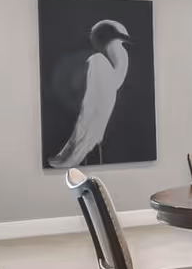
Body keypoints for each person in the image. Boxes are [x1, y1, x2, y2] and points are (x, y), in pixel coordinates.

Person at [47, 19, 130, 167]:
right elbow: (87, 113)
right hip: (82, 140)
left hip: (87, 143)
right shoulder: (99, 63)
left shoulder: (103, 68)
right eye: (120, 36)